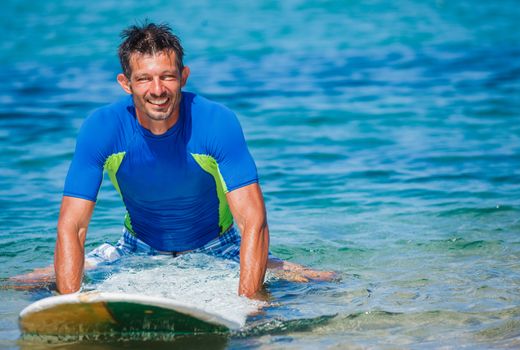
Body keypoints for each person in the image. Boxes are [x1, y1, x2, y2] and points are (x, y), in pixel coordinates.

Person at [12, 22, 334, 297]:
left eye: (167, 76)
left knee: (321, 282)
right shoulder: (102, 128)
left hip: (218, 247)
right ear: (126, 83)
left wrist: (249, 307)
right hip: (136, 248)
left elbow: (253, 221)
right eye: (144, 79)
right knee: (24, 284)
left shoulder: (215, 122)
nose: (157, 90)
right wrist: (71, 305)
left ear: (184, 76)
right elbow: (73, 226)